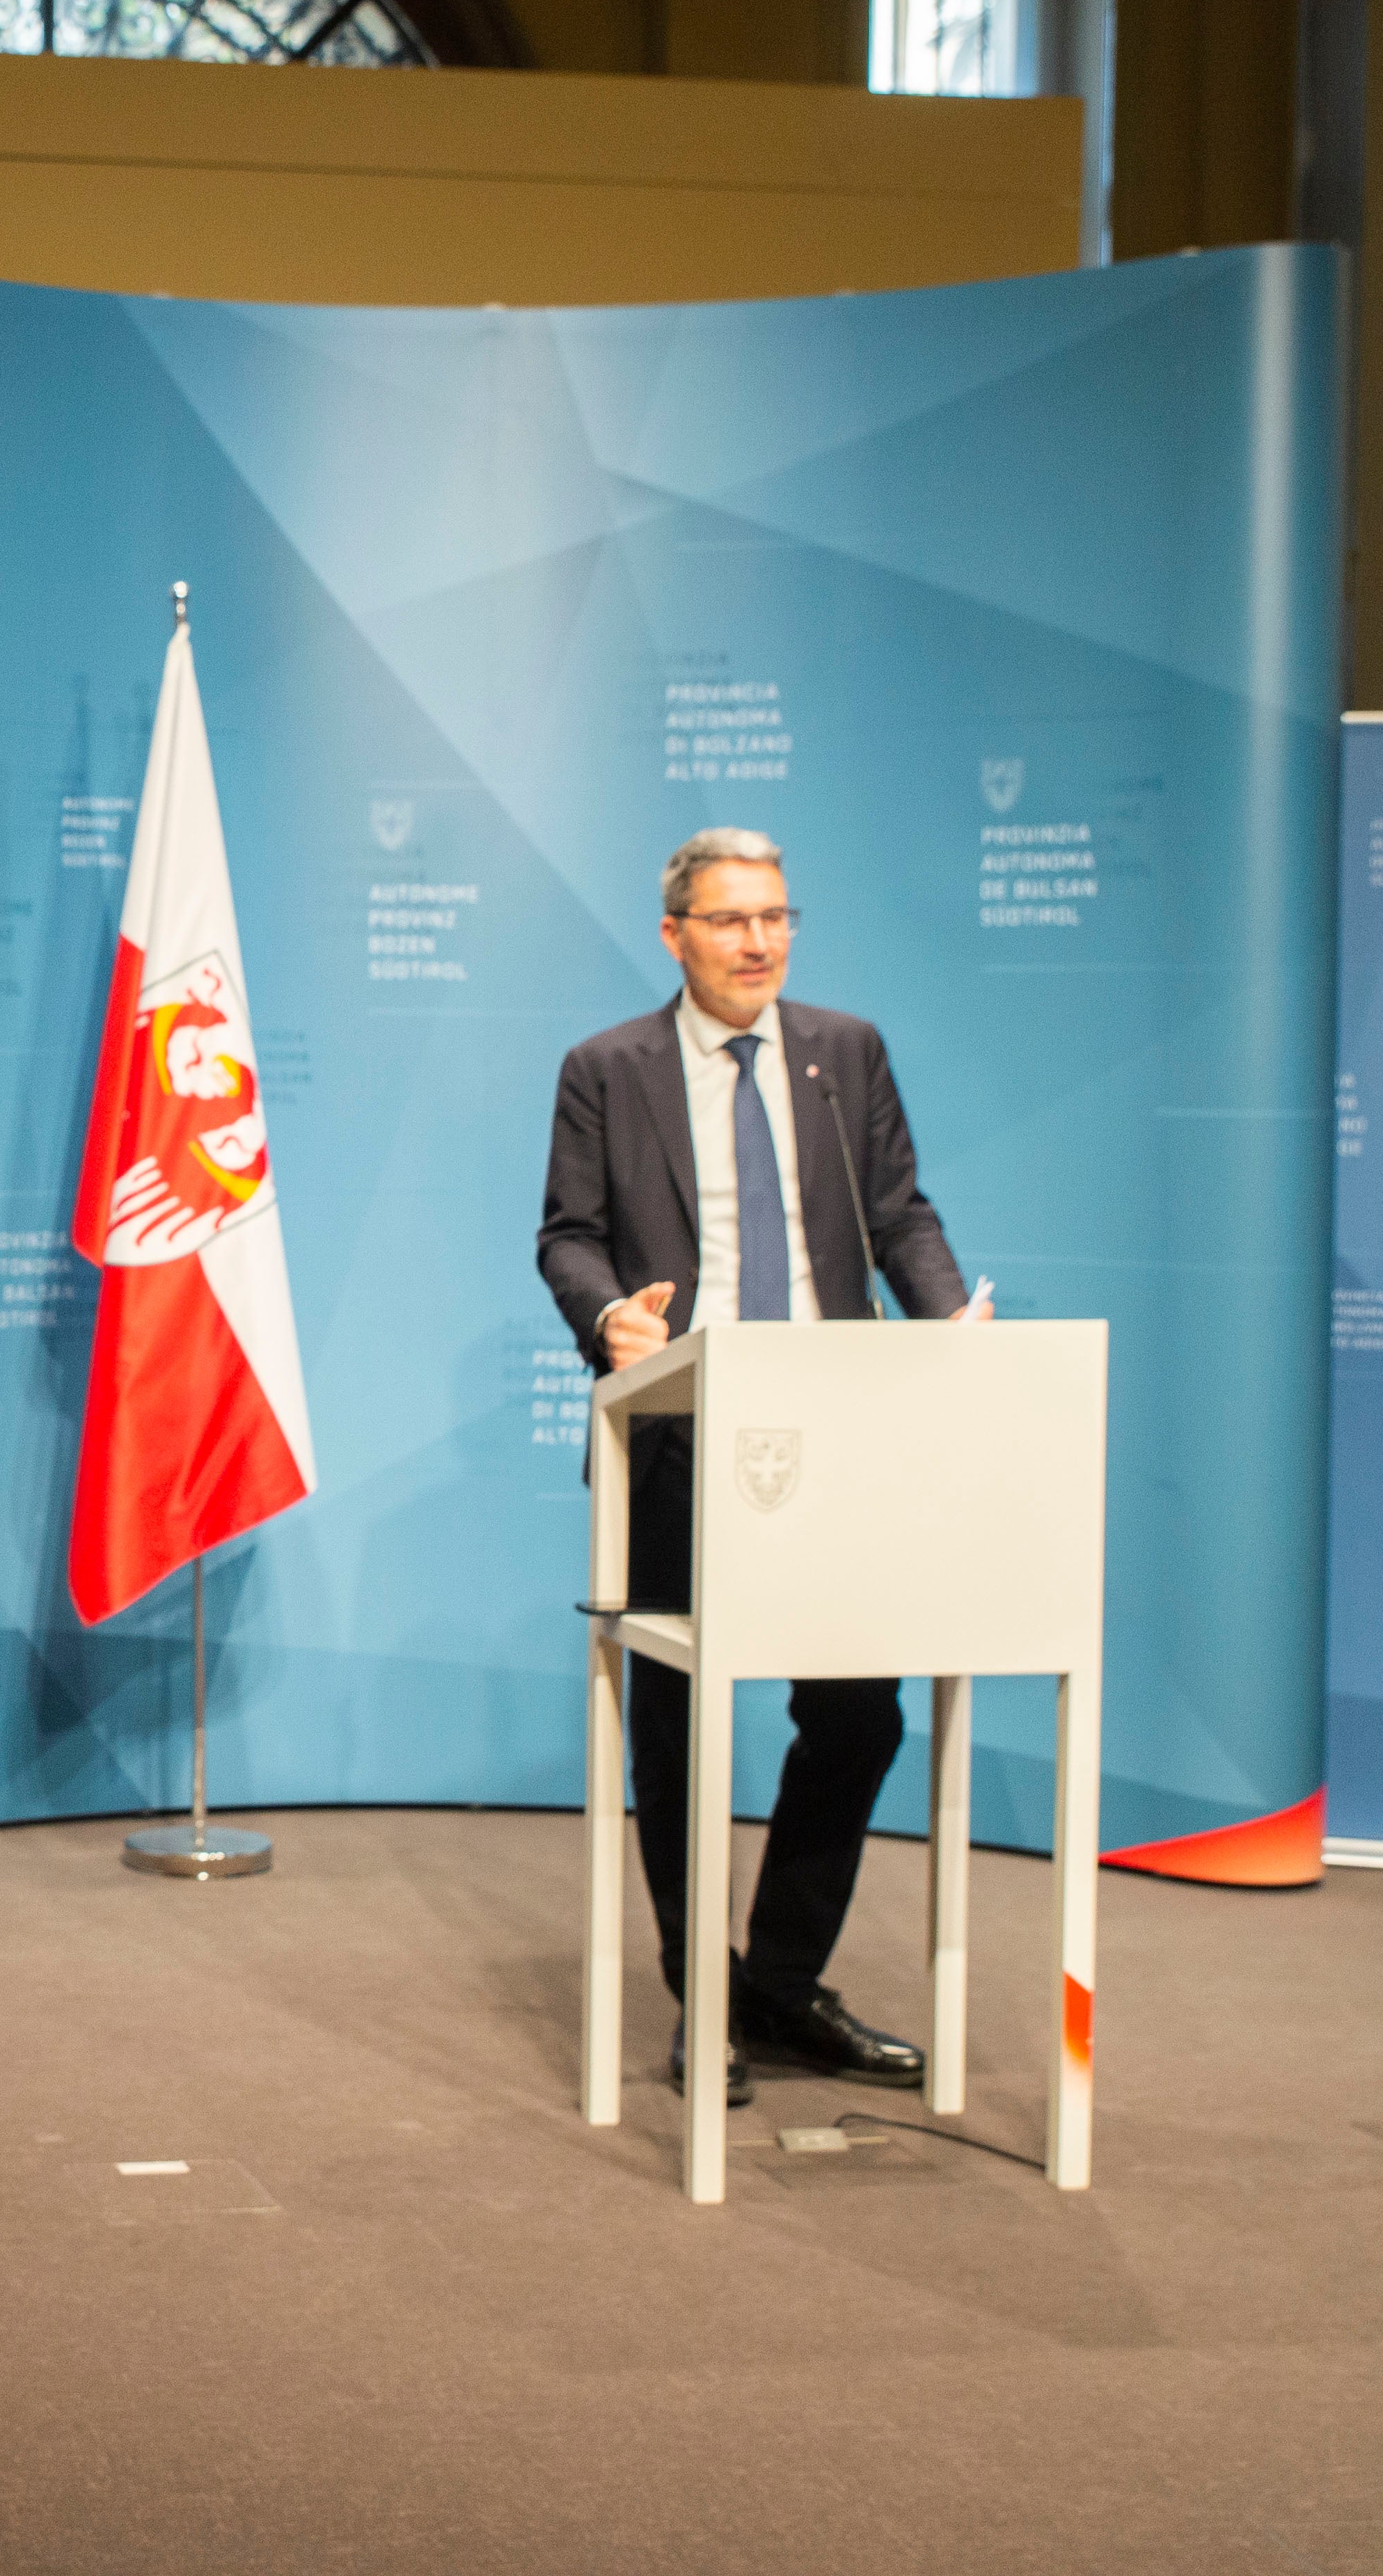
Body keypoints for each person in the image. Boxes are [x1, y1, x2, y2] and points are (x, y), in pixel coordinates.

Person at [535, 827, 989, 2105]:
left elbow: (899, 1212)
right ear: (674, 932)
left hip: (835, 1435)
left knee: (857, 1714)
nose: (760, 943)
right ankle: (705, 2003)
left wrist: (947, 1318)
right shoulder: (606, 1070)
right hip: (684, 1436)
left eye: (778, 917)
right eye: (733, 921)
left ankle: (779, 1988)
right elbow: (567, 1237)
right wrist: (611, 1316)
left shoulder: (844, 1054)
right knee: (680, 1730)